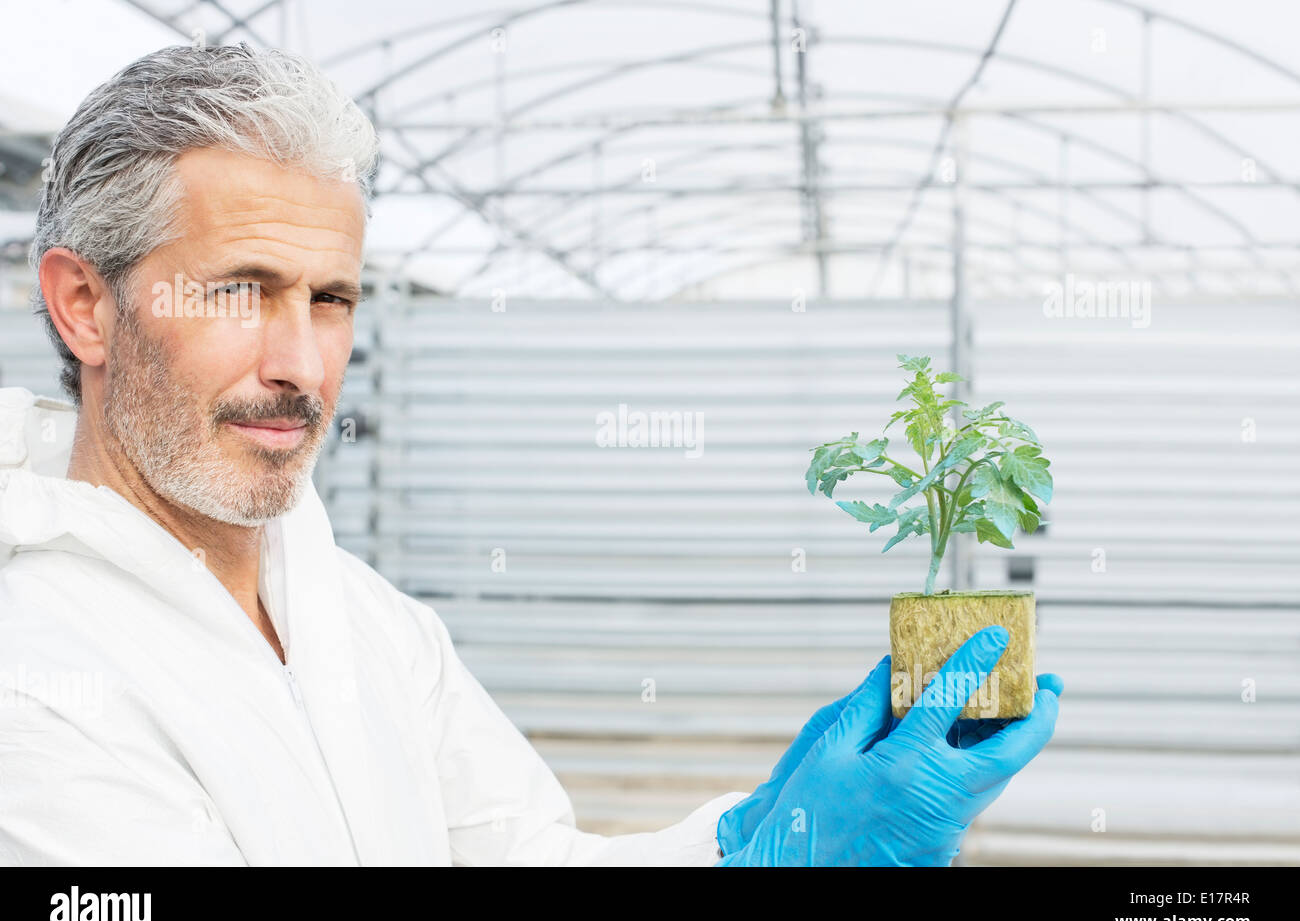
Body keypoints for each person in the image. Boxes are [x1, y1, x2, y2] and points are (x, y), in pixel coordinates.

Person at [0, 43, 1060, 866]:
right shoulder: (33, 663)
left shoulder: (368, 618)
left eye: (329, 299)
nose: (299, 363)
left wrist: (743, 847)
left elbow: (521, 857)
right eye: (239, 290)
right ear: (86, 306)